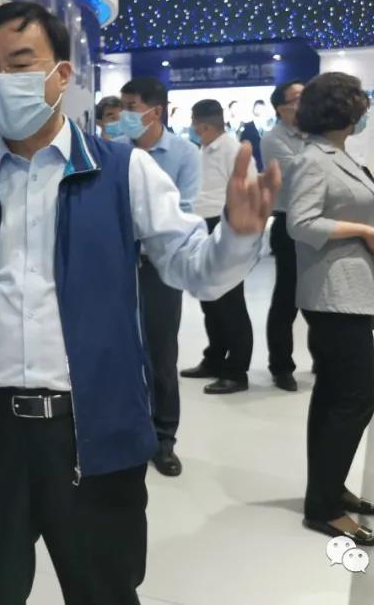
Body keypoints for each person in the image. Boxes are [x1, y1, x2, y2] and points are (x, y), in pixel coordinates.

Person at [0, 1, 279, 604]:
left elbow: (195, 269)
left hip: (93, 426)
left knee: (104, 591)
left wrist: (239, 236)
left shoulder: (124, 172)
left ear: (61, 75)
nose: (0, 82)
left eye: (20, 63)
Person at [287, 72, 374, 547]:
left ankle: (327, 490)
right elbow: (300, 223)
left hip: (350, 291)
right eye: (358, 100)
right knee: (355, 400)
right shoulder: (313, 159)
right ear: (341, 109)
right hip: (334, 296)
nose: (363, 107)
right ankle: (324, 507)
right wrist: (364, 231)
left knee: (333, 396)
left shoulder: (336, 154)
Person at [120, 77, 201, 478]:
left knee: (161, 354)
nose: (124, 115)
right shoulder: (115, 152)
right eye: (122, 107)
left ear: (156, 111)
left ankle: (164, 438)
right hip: (118, 267)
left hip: (160, 269)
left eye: (131, 107)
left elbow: (181, 212)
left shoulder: (185, 153)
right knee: (118, 351)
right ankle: (125, 433)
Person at [180, 99, 257, 394]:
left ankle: (236, 371)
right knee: (209, 299)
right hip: (203, 227)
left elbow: (247, 194)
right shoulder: (203, 149)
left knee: (230, 302)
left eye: (194, 122)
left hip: (224, 227)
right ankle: (214, 358)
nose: (192, 127)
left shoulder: (233, 151)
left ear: (203, 125)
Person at [260, 81, 306, 392]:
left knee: (318, 300)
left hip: (317, 222)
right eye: (299, 98)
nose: (305, 103)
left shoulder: (313, 134)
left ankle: (322, 360)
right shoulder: (273, 139)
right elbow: (300, 172)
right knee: (287, 300)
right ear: (281, 107)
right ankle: (281, 367)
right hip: (289, 224)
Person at [239, 100, 266, 171]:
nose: (259, 110)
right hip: (251, 165)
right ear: (253, 109)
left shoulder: (268, 127)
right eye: (257, 108)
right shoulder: (246, 126)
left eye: (261, 108)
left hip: (265, 164)